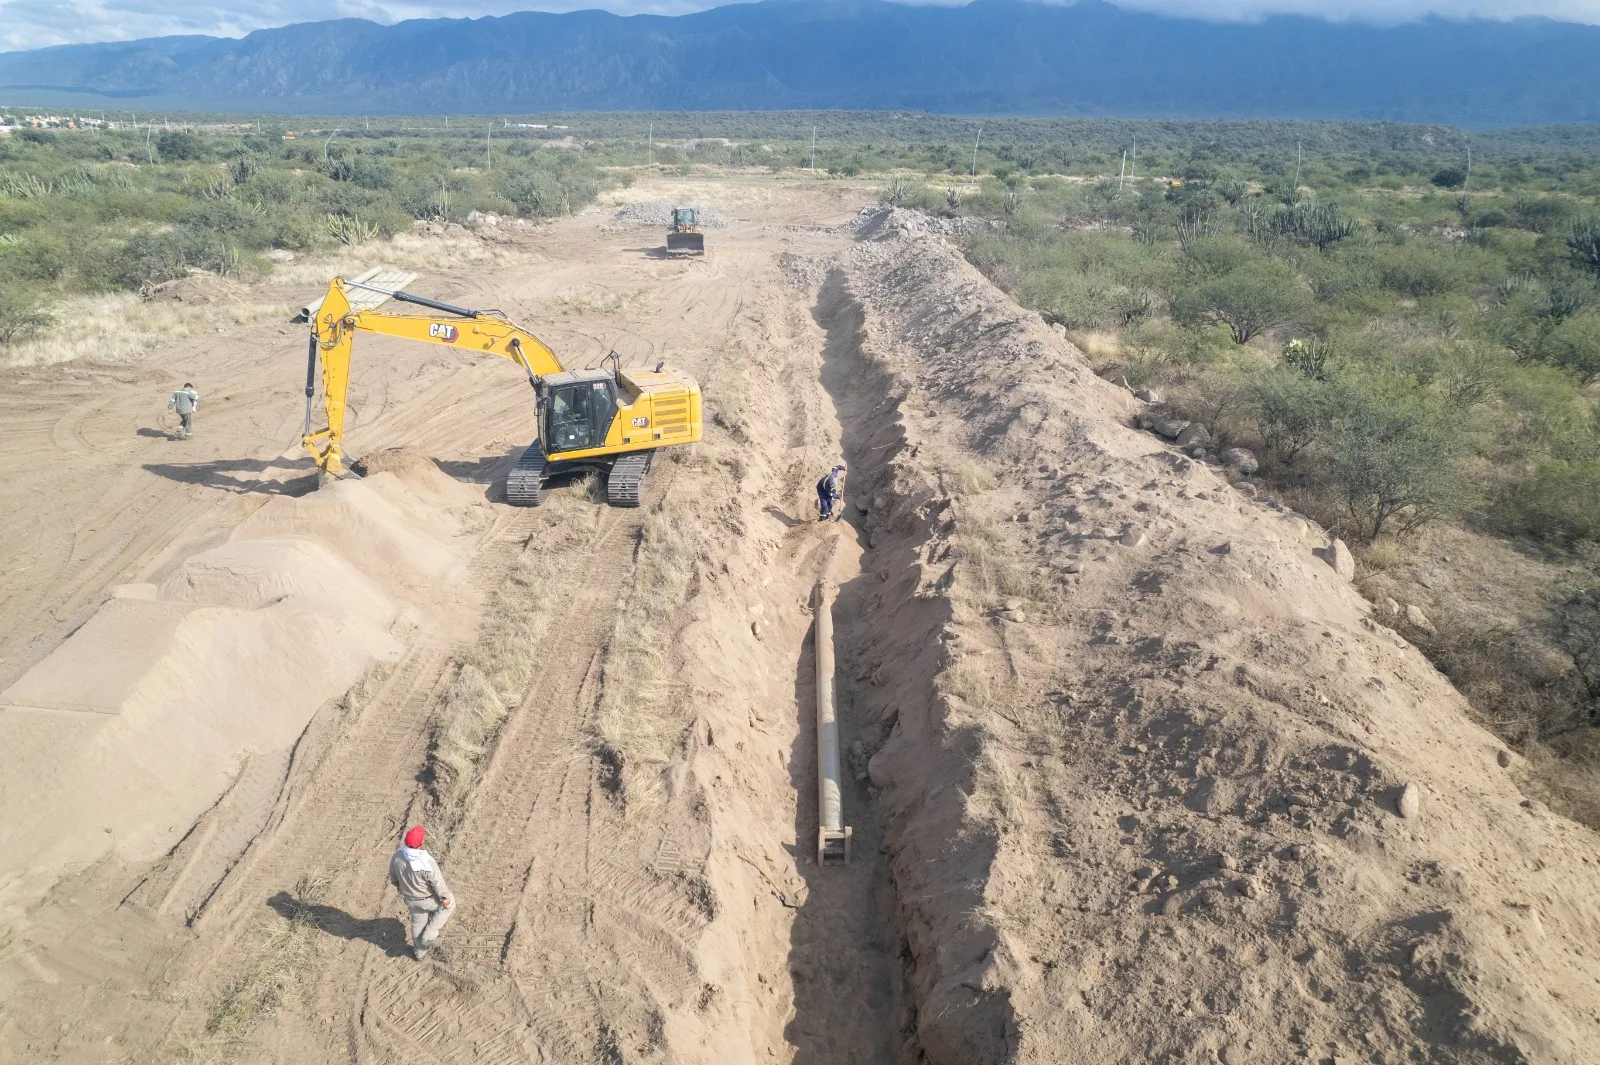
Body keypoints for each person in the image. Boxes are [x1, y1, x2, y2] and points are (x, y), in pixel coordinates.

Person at [388, 825, 456, 961]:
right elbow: (437, 883)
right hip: (428, 899)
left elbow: (394, 878)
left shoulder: (397, 857)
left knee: (417, 924)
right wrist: (444, 897)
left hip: (410, 900)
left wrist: (400, 886)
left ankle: (419, 953)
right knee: (450, 904)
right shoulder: (426, 861)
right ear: (421, 843)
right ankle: (430, 935)